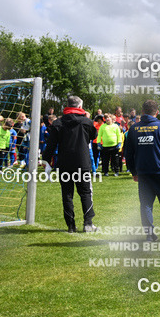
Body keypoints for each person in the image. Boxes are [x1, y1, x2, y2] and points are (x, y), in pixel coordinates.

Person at [122, 100, 160, 242]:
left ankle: (150, 236)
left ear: (142, 112)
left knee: (146, 204)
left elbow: (127, 153)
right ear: (157, 112)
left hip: (143, 173)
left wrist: (133, 171)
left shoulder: (133, 129)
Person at [42, 96, 97, 233]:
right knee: (85, 193)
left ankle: (71, 226)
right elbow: (93, 136)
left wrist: (45, 160)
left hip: (64, 163)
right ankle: (88, 224)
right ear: (79, 106)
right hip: (82, 162)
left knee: (67, 194)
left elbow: (50, 145)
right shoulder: (87, 122)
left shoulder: (58, 123)